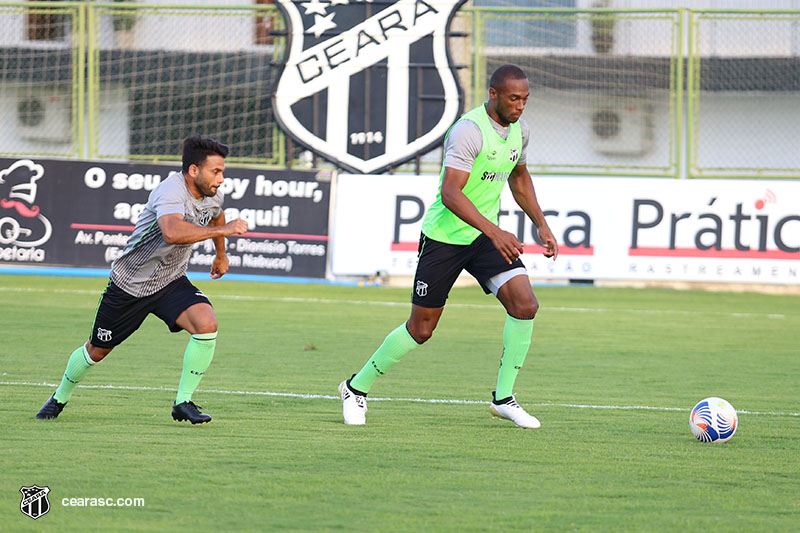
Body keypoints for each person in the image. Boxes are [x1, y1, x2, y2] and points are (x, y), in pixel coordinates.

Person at [339, 65, 558, 428]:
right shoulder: (468, 131)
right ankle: (355, 388)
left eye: (525, 99)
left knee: (525, 304)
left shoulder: (521, 130)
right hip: (444, 238)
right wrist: (494, 231)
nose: (520, 106)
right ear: (493, 95)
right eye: (513, 98)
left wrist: (542, 224)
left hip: (483, 237)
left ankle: (504, 398)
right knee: (421, 329)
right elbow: (450, 193)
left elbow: (519, 178)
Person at [36, 136, 248, 424]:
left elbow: (215, 216)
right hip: (130, 285)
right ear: (194, 170)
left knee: (207, 323)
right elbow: (172, 232)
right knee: (97, 351)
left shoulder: (212, 194)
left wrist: (220, 254)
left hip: (170, 280)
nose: (221, 179)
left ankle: (183, 402)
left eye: (223, 171)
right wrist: (226, 229)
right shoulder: (170, 191)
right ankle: (59, 397)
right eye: (216, 171)